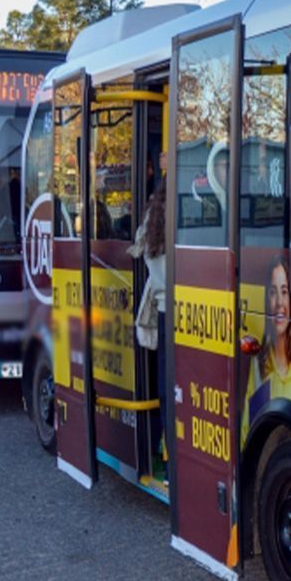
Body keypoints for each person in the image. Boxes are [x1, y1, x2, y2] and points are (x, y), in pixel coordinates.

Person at [242, 256, 291, 441]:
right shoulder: (259, 365)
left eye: (284, 291)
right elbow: (248, 434)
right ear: (266, 301)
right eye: (273, 292)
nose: (279, 302)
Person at [130, 188, 166, 458]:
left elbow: (136, 250)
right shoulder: (186, 212)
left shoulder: (151, 221)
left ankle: (162, 449)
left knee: (164, 384)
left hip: (163, 311)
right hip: (186, 310)